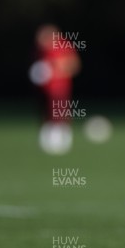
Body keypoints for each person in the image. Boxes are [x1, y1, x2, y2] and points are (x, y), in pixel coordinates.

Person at [30, 24, 81, 155]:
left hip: (59, 88)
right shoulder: (41, 50)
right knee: (45, 115)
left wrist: (55, 69)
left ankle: (62, 141)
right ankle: (47, 141)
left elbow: (74, 65)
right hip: (43, 90)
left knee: (59, 115)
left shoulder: (62, 46)